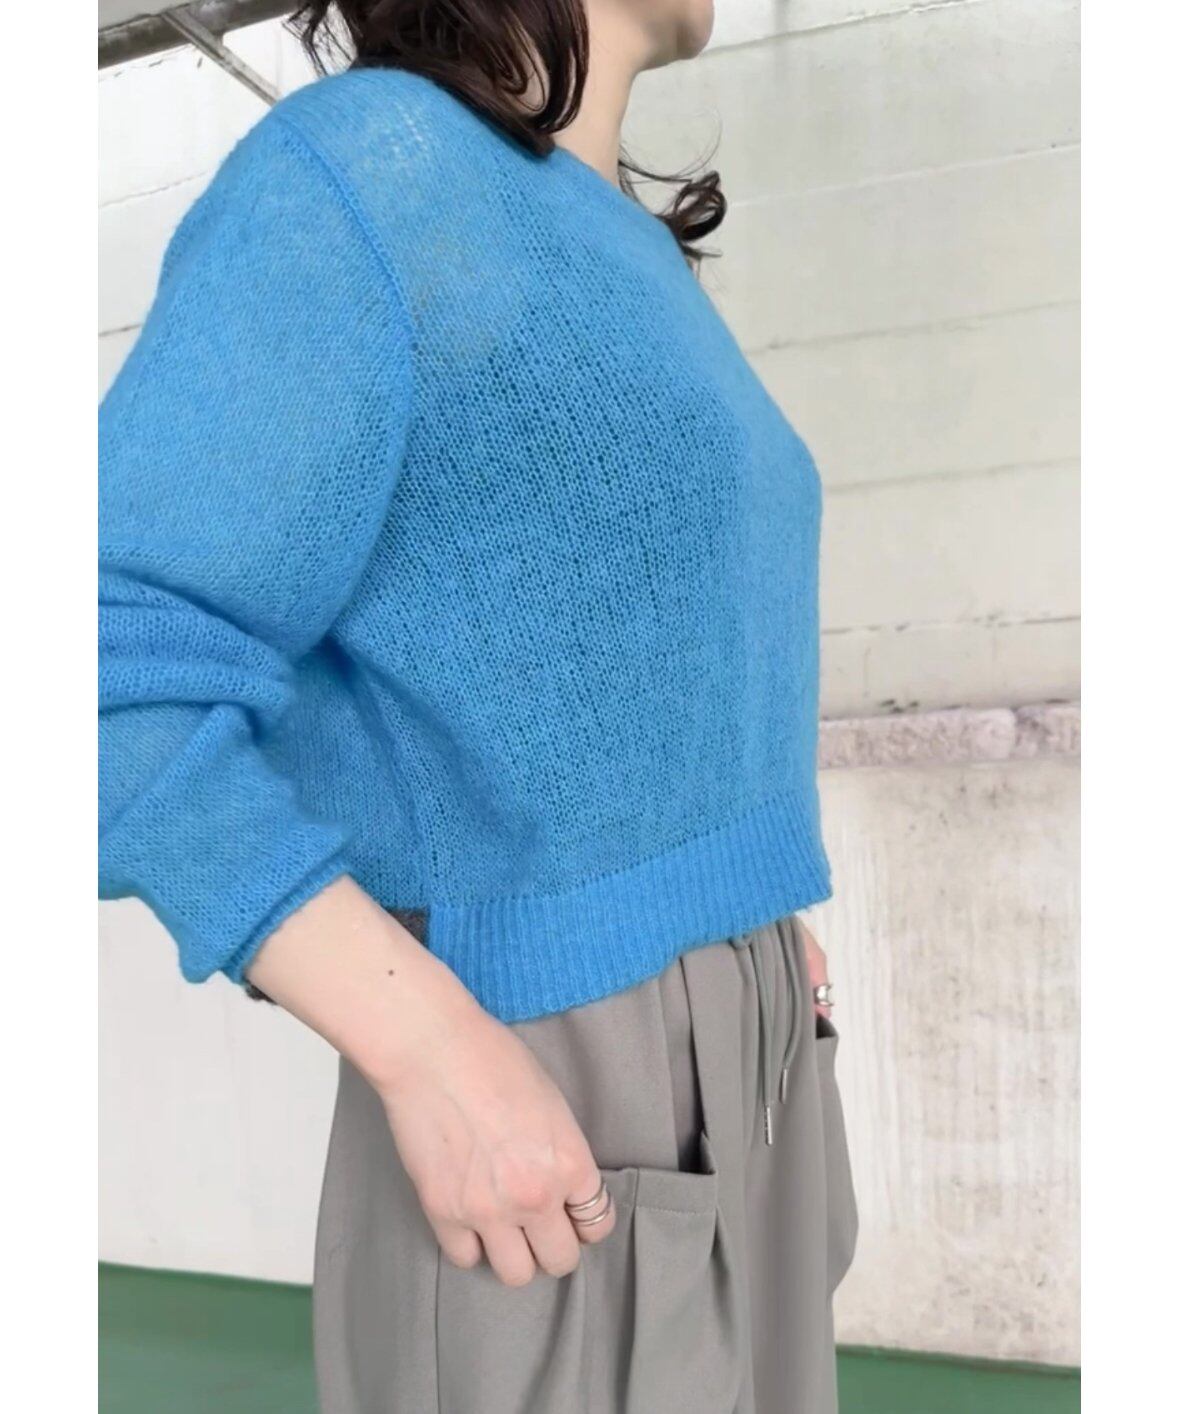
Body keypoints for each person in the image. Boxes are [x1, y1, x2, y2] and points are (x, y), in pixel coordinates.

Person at [98, 0, 857, 1408]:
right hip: (556, 1074)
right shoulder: (366, 173)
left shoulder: (622, 243)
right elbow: (97, 653)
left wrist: (736, 900)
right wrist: (423, 1045)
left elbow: (596, 653)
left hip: (752, 1044)